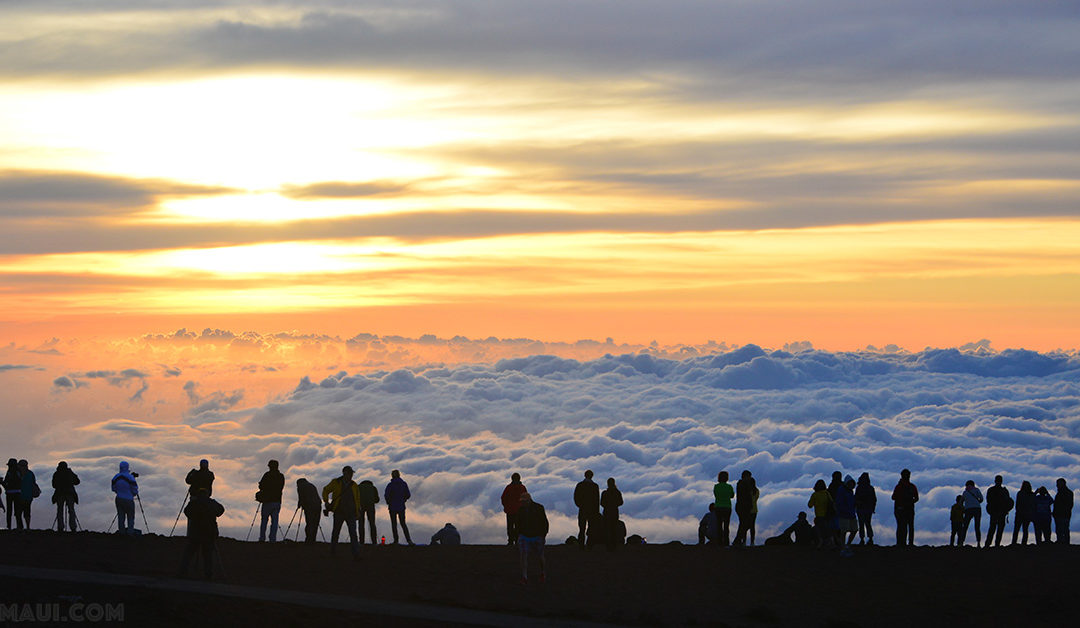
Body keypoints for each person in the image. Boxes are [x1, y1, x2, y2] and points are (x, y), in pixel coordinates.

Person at [179, 488, 225, 580]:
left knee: (189, 553)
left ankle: (183, 572)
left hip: (196, 532)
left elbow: (187, 512)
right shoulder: (212, 503)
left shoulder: (194, 503)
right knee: (208, 554)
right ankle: (208, 574)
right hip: (209, 532)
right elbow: (221, 510)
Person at [322, 466, 361, 560]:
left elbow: (357, 499)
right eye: (350, 473)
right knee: (337, 532)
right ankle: (334, 552)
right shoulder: (337, 482)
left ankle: (355, 554)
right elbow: (326, 490)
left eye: (351, 473)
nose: (351, 475)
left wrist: (358, 511)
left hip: (350, 513)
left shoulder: (353, 485)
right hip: (340, 512)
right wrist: (326, 501)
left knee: (352, 534)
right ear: (344, 473)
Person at [516, 492, 548, 585]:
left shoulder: (538, 508)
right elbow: (518, 522)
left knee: (540, 556)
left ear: (529, 500)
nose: (522, 503)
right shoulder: (521, 509)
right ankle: (524, 576)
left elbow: (544, 522)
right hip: (525, 535)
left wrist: (543, 534)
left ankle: (542, 573)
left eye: (524, 501)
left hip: (537, 535)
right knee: (524, 556)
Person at [257, 459, 285, 542]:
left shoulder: (267, 475)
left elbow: (261, 486)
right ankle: (272, 539)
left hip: (267, 501)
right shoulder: (281, 476)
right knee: (275, 521)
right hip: (277, 501)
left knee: (264, 520)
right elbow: (281, 487)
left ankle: (262, 538)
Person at [384, 469, 414, 545]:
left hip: (392, 507)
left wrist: (389, 502)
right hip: (401, 506)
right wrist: (403, 500)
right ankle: (409, 540)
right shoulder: (404, 484)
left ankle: (396, 541)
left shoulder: (390, 485)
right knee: (403, 524)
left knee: (394, 524)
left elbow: (386, 495)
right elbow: (408, 495)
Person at [573, 470, 600, 550]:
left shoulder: (580, 485)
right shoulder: (595, 486)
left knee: (581, 528)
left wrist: (580, 505)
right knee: (591, 528)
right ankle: (589, 545)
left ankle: (581, 545)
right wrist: (597, 511)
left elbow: (576, 497)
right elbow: (597, 500)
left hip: (582, 509)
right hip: (592, 510)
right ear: (592, 476)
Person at [891, 469, 918, 547]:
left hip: (900, 509)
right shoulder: (912, 486)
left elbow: (893, 497)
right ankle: (910, 543)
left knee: (901, 526)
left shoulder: (898, 487)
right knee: (910, 526)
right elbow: (916, 498)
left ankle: (900, 543)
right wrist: (910, 502)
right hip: (909, 509)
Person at [111, 461, 138, 535]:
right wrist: (131, 494)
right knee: (130, 517)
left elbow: (113, 489)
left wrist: (120, 492)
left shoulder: (115, 477)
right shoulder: (130, 478)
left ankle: (121, 532)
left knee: (121, 516)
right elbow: (135, 490)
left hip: (119, 499)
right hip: (129, 500)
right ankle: (130, 532)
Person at [51, 461, 80, 532]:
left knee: (60, 510)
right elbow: (77, 482)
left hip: (59, 494)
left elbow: (54, 485)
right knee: (71, 510)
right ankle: (73, 527)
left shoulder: (57, 474)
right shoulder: (70, 473)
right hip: (70, 493)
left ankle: (60, 527)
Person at [984, 475, 1012, 548]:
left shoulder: (991, 490)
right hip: (1002, 512)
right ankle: (997, 544)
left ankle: (987, 544)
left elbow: (988, 500)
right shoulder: (1004, 491)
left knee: (992, 528)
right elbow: (1009, 501)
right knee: (1000, 529)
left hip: (994, 512)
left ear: (995, 480)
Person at [501, 473, 528, 546]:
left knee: (510, 526)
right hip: (520, 511)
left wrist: (506, 507)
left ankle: (510, 541)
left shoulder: (508, 488)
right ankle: (517, 541)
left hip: (510, 511)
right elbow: (526, 499)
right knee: (519, 526)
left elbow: (503, 498)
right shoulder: (522, 488)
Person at [733, 470, 760, 546]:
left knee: (743, 524)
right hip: (746, 508)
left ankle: (740, 541)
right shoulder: (746, 486)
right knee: (746, 525)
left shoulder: (740, 484)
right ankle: (739, 541)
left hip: (741, 507)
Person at [807, 479, 834, 548]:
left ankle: (820, 543)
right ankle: (831, 543)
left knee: (820, 530)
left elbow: (809, 505)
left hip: (819, 515)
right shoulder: (827, 493)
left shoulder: (815, 495)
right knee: (827, 530)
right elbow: (832, 502)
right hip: (828, 515)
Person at [295, 478, 322, 544]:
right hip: (318, 505)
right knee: (315, 523)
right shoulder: (312, 485)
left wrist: (299, 506)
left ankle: (309, 539)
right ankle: (313, 539)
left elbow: (301, 498)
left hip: (309, 506)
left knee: (309, 523)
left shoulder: (300, 487)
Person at [600, 477, 623, 551]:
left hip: (606, 512)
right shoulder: (617, 492)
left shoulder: (605, 493)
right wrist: (614, 505)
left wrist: (607, 506)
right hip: (615, 512)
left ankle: (608, 545)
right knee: (614, 528)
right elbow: (621, 502)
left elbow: (602, 503)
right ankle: (614, 545)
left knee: (607, 528)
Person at [854, 472, 876, 545]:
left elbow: (855, 498)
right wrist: (873, 508)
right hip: (868, 509)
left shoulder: (859, 488)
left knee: (861, 524)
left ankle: (862, 539)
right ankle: (870, 538)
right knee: (868, 524)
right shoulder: (870, 488)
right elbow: (874, 499)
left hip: (860, 509)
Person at [959, 479, 983, 546]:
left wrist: (964, 508)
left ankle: (961, 542)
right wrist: (977, 503)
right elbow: (981, 499)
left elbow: (960, 502)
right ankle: (978, 543)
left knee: (965, 526)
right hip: (977, 509)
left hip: (968, 510)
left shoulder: (965, 492)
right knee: (977, 526)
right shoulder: (977, 490)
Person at [713, 471, 734, 546]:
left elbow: (716, 495)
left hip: (718, 507)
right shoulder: (729, 487)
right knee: (726, 526)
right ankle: (726, 543)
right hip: (727, 507)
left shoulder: (716, 487)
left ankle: (719, 543)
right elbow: (732, 496)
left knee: (719, 525)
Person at [16, 460, 38, 529]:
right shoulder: (30, 473)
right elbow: (33, 483)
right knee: (27, 512)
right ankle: (27, 527)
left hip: (20, 496)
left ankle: (20, 527)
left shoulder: (17, 474)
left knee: (19, 512)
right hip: (29, 496)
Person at [1012, 481, 1034, 545]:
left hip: (1019, 514)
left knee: (1016, 530)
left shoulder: (1020, 493)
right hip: (1027, 515)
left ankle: (1014, 543)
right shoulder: (1031, 494)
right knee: (1025, 530)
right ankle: (1024, 543)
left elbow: (1017, 504)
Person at [357, 479, 380, 544]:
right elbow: (377, 500)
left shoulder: (358, 487)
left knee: (361, 523)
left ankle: (361, 541)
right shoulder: (373, 488)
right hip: (371, 506)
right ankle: (374, 541)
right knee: (372, 523)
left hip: (360, 507)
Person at [1053, 478, 1073, 545]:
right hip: (1065, 514)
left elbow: (1067, 505)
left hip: (1061, 514)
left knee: (1061, 529)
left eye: (1058, 484)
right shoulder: (1069, 492)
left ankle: (1062, 543)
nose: (1057, 485)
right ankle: (1065, 542)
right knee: (1064, 529)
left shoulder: (1062, 493)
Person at [3, 458, 19, 529]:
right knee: (17, 510)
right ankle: (19, 526)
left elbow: (6, 483)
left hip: (9, 493)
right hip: (18, 493)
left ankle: (9, 526)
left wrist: (1, 483)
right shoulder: (19, 472)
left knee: (9, 511)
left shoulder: (9, 472)